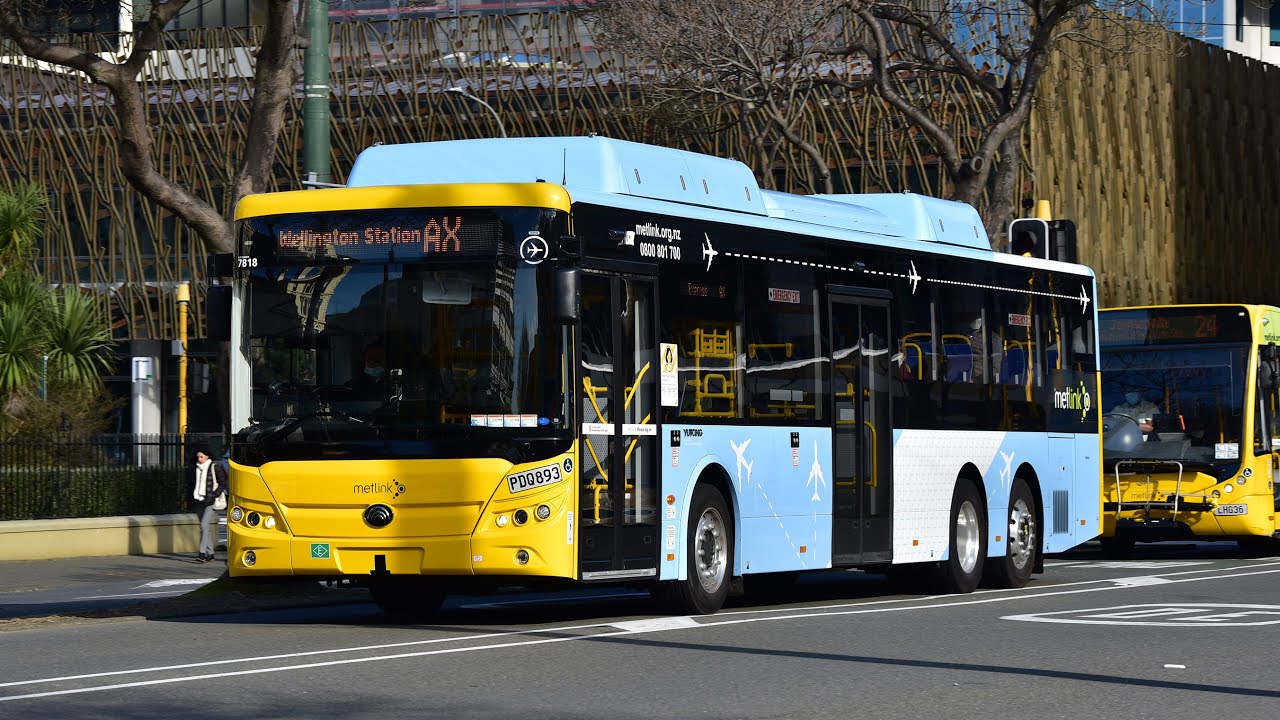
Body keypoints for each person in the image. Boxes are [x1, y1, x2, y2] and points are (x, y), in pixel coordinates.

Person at [189, 445, 228, 564]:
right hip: (198, 500)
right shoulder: (195, 468)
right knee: (205, 528)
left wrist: (214, 495)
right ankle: (210, 554)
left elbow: (223, 483)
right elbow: (192, 485)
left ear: (207, 456)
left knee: (203, 525)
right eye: (198, 457)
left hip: (210, 501)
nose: (199, 459)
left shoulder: (214, 467)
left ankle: (202, 553)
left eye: (201, 457)